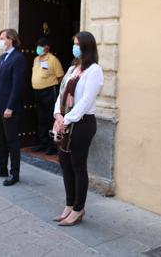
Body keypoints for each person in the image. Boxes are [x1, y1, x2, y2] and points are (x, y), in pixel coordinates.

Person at [52, 31, 103, 226]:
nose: (74, 47)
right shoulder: (73, 68)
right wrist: (58, 114)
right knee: (64, 163)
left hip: (82, 124)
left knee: (78, 165)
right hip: (65, 121)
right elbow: (61, 93)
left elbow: (85, 101)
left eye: (77, 44)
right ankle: (68, 204)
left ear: (87, 47)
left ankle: (78, 208)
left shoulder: (94, 71)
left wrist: (66, 120)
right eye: (73, 43)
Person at [0, 28, 26, 186]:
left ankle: (14, 173)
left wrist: (10, 107)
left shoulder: (18, 58)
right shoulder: (2, 57)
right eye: (0, 37)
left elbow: (17, 86)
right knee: (1, 140)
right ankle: (2, 167)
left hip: (10, 108)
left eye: (3, 38)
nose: (0, 40)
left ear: (11, 39)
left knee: (12, 141)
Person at [31, 37, 64, 155]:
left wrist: (52, 87)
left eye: (41, 46)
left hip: (49, 92)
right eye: (37, 46)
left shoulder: (53, 59)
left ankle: (52, 145)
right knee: (41, 119)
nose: (38, 48)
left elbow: (60, 77)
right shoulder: (36, 59)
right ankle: (42, 143)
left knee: (50, 118)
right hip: (37, 93)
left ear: (47, 47)